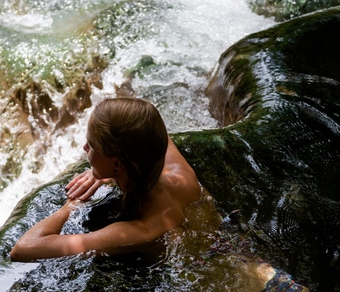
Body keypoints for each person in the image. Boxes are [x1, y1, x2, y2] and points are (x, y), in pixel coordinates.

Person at [10, 97, 201, 262]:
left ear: (117, 164)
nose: (84, 147)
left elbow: (23, 249)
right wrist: (108, 174)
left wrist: (71, 206)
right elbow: (148, 126)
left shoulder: (140, 232)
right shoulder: (182, 176)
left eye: (92, 146)